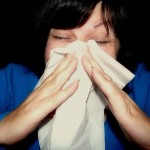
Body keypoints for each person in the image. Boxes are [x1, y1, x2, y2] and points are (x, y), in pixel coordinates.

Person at [0, 0, 150, 150]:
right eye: (61, 37)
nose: (79, 52)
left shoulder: (142, 86)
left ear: (120, 48)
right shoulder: (10, 81)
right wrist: (5, 129)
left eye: (100, 41)